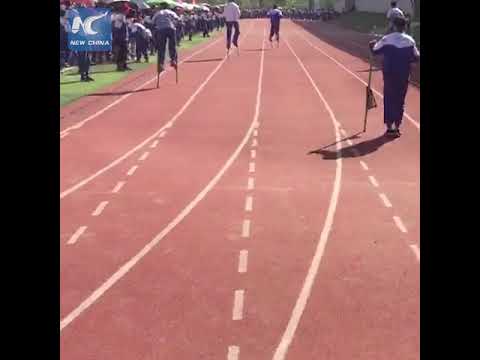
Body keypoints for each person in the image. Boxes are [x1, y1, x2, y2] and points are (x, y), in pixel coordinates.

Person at [369, 16, 419, 137]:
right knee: (400, 100)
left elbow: (375, 51)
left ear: (394, 26)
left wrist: (371, 44)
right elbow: (416, 57)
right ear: (404, 26)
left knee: (389, 98)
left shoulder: (387, 39)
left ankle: (390, 126)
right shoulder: (410, 40)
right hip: (403, 74)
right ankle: (396, 126)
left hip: (389, 73)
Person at [152, 1, 179, 72]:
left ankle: (161, 64)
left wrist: (157, 26)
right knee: (172, 45)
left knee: (161, 47)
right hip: (171, 29)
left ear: (161, 7)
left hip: (161, 30)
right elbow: (177, 19)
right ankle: (173, 60)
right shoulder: (171, 12)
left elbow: (153, 22)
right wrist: (174, 23)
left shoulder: (157, 13)